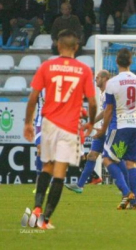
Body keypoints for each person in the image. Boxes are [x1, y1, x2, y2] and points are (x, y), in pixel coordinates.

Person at [23, 29, 97, 229]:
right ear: (76, 47)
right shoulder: (84, 69)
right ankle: (44, 220)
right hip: (69, 127)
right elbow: (92, 102)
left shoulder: (47, 66)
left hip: (48, 124)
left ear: (57, 45)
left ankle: (37, 209)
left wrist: (28, 123)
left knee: (46, 166)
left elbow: (32, 98)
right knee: (59, 172)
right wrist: (90, 121)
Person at [94, 48, 136, 210]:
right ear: (131, 62)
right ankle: (134, 202)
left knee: (108, 159)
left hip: (121, 126)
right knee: (131, 163)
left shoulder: (112, 82)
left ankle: (126, 191)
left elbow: (109, 110)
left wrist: (102, 130)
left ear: (117, 62)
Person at [65, 70, 115, 194]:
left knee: (116, 159)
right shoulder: (103, 93)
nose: (95, 79)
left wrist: (92, 123)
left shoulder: (109, 91)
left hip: (111, 129)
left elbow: (108, 112)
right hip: (104, 128)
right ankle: (80, 185)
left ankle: (127, 186)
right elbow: (105, 112)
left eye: (97, 77)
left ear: (104, 78)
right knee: (92, 155)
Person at [32, 90, 45, 194]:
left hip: (54, 122)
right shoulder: (40, 85)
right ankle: (39, 183)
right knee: (40, 148)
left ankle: (48, 183)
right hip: (40, 122)